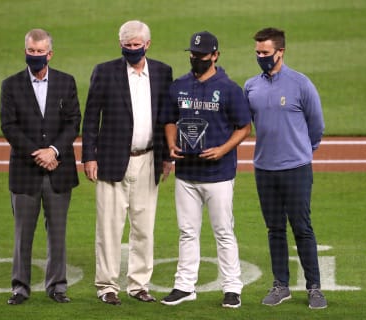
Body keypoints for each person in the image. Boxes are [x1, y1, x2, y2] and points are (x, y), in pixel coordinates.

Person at [81, 20, 173, 305]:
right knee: (109, 227)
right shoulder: (105, 72)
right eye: (127, 45)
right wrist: (89, 156)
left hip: (149, 159)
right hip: (111, 159)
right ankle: (107, 286)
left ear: (148, 44)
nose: (132, 50)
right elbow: (91, 116)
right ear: (120, 45)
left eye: (136, 45)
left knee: (144, 227)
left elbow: (168, 117)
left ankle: (138, 285)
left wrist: (168, 156)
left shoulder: (162, 72)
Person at [160, 31, 251, 308]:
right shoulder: (179, 86)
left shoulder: (229, 89)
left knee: (223, 231)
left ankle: (232, 288)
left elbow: (244, 126)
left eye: (200, 55)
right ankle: (185, 286)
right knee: (187, 232)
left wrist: (223, 149)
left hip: (218, 174)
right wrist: (171, 144)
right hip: (186, 173)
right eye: (192, 54)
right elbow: (169, 119)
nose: (195, 59)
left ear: (215, 56)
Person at [243, 27, 327, 309]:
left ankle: (314, 287)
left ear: (281, 51)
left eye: (265, 52)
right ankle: (281, 285)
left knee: (302, 228)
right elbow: (248, 123)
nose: (261, 57)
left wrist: (301, 153)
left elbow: (317, 127)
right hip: (264, 169)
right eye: (257, 53)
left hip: (296, 169)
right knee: (274, 229)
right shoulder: (250, 86)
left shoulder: (301, 84)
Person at [0, 29, 81, 305]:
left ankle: (57, 286)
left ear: (50, 53)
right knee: (23, 234)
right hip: (26, 171)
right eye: (31, 51)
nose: (35, 56)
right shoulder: (10, 85)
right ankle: (20, 288)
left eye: (40, 51)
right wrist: (39, 153)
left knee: (57, 232)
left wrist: (54, 150)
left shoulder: (66, 82)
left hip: (59, 170)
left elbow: (73, 122)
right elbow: (8, 126)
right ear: (25, 51)